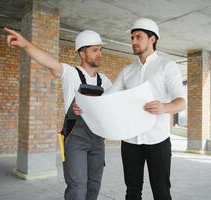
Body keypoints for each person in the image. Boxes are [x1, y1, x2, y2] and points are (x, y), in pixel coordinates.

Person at [74, 18, 185, 200]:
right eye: (132, 37)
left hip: (158, 140)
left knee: (161, 191)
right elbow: (107, 97)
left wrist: (164, 107)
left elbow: (181, 101)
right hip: (130, 142)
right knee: (132, 192)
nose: (133, 42)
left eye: (138, 37)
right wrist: (85, 106)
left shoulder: (167, 66)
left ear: (152, 39)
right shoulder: (127, 71)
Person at [4, 27, 112, 200]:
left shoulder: (105, 81)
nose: (99, 53)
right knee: (77, 187)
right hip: (75, 139)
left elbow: (113, 105)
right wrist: (25, 44)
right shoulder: (70, 74)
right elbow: (49, 61)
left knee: (93, 186)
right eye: (94, 50)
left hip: (98, 140)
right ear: (82, 54)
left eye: (100, 49)